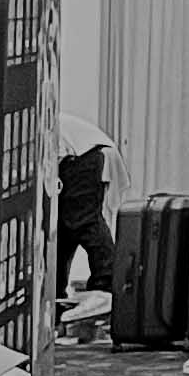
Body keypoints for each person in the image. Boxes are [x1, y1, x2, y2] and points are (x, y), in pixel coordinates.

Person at [51, 108, 116, 303]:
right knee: (64, 227)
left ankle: (106, 280)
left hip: (83, 155)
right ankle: (56, 289)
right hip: (84, 153)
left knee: (83, 221)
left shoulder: (40, 121)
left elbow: (50, 158)